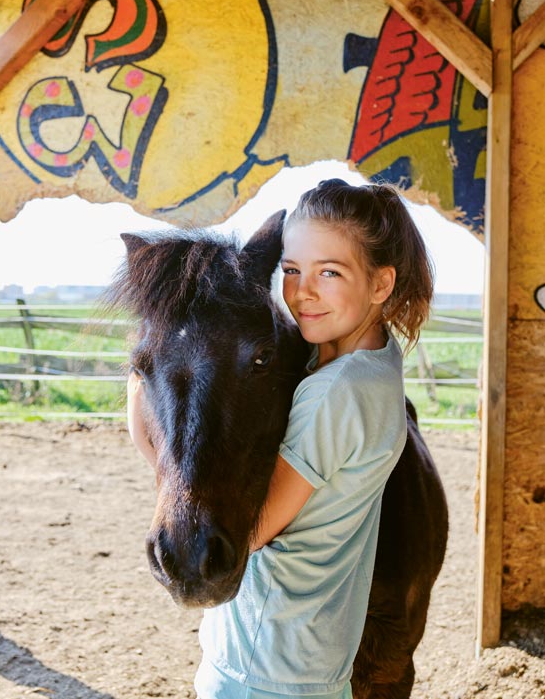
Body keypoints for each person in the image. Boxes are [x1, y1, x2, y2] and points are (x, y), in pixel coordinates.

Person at [127, 179, 434, 699]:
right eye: (291, 271)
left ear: (381, 284)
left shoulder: (334, 396)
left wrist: (144, 369)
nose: (302, 291)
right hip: (315, 660)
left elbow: (252, 531)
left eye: (329, 272)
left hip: (265, 665)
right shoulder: (375, 362)